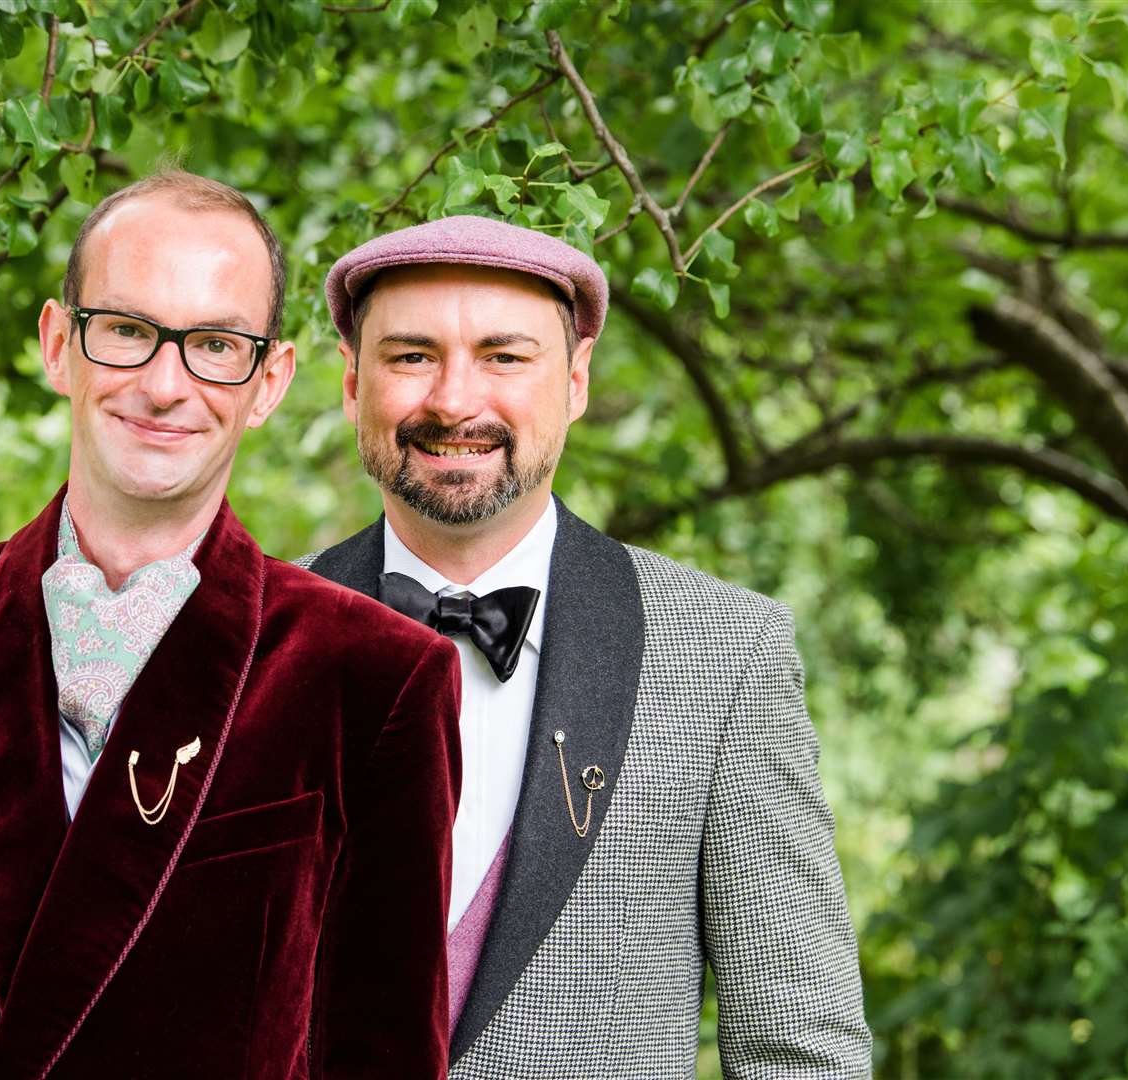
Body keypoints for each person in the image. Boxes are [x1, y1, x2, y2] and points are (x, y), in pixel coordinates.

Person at [0, 171, 463, 1079]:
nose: (165, 385)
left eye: (215, 344)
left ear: (270, 381)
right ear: (60, 344)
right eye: (129, 332)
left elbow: (386, 1057)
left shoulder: (375, 679)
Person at [300, 214, 872, 1077]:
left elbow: (801, 1047)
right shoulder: (249, 634)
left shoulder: (726, 654)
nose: (455, 400)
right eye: (412, 356)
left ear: (574, 381)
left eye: (504, 356)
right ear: (352, 385)